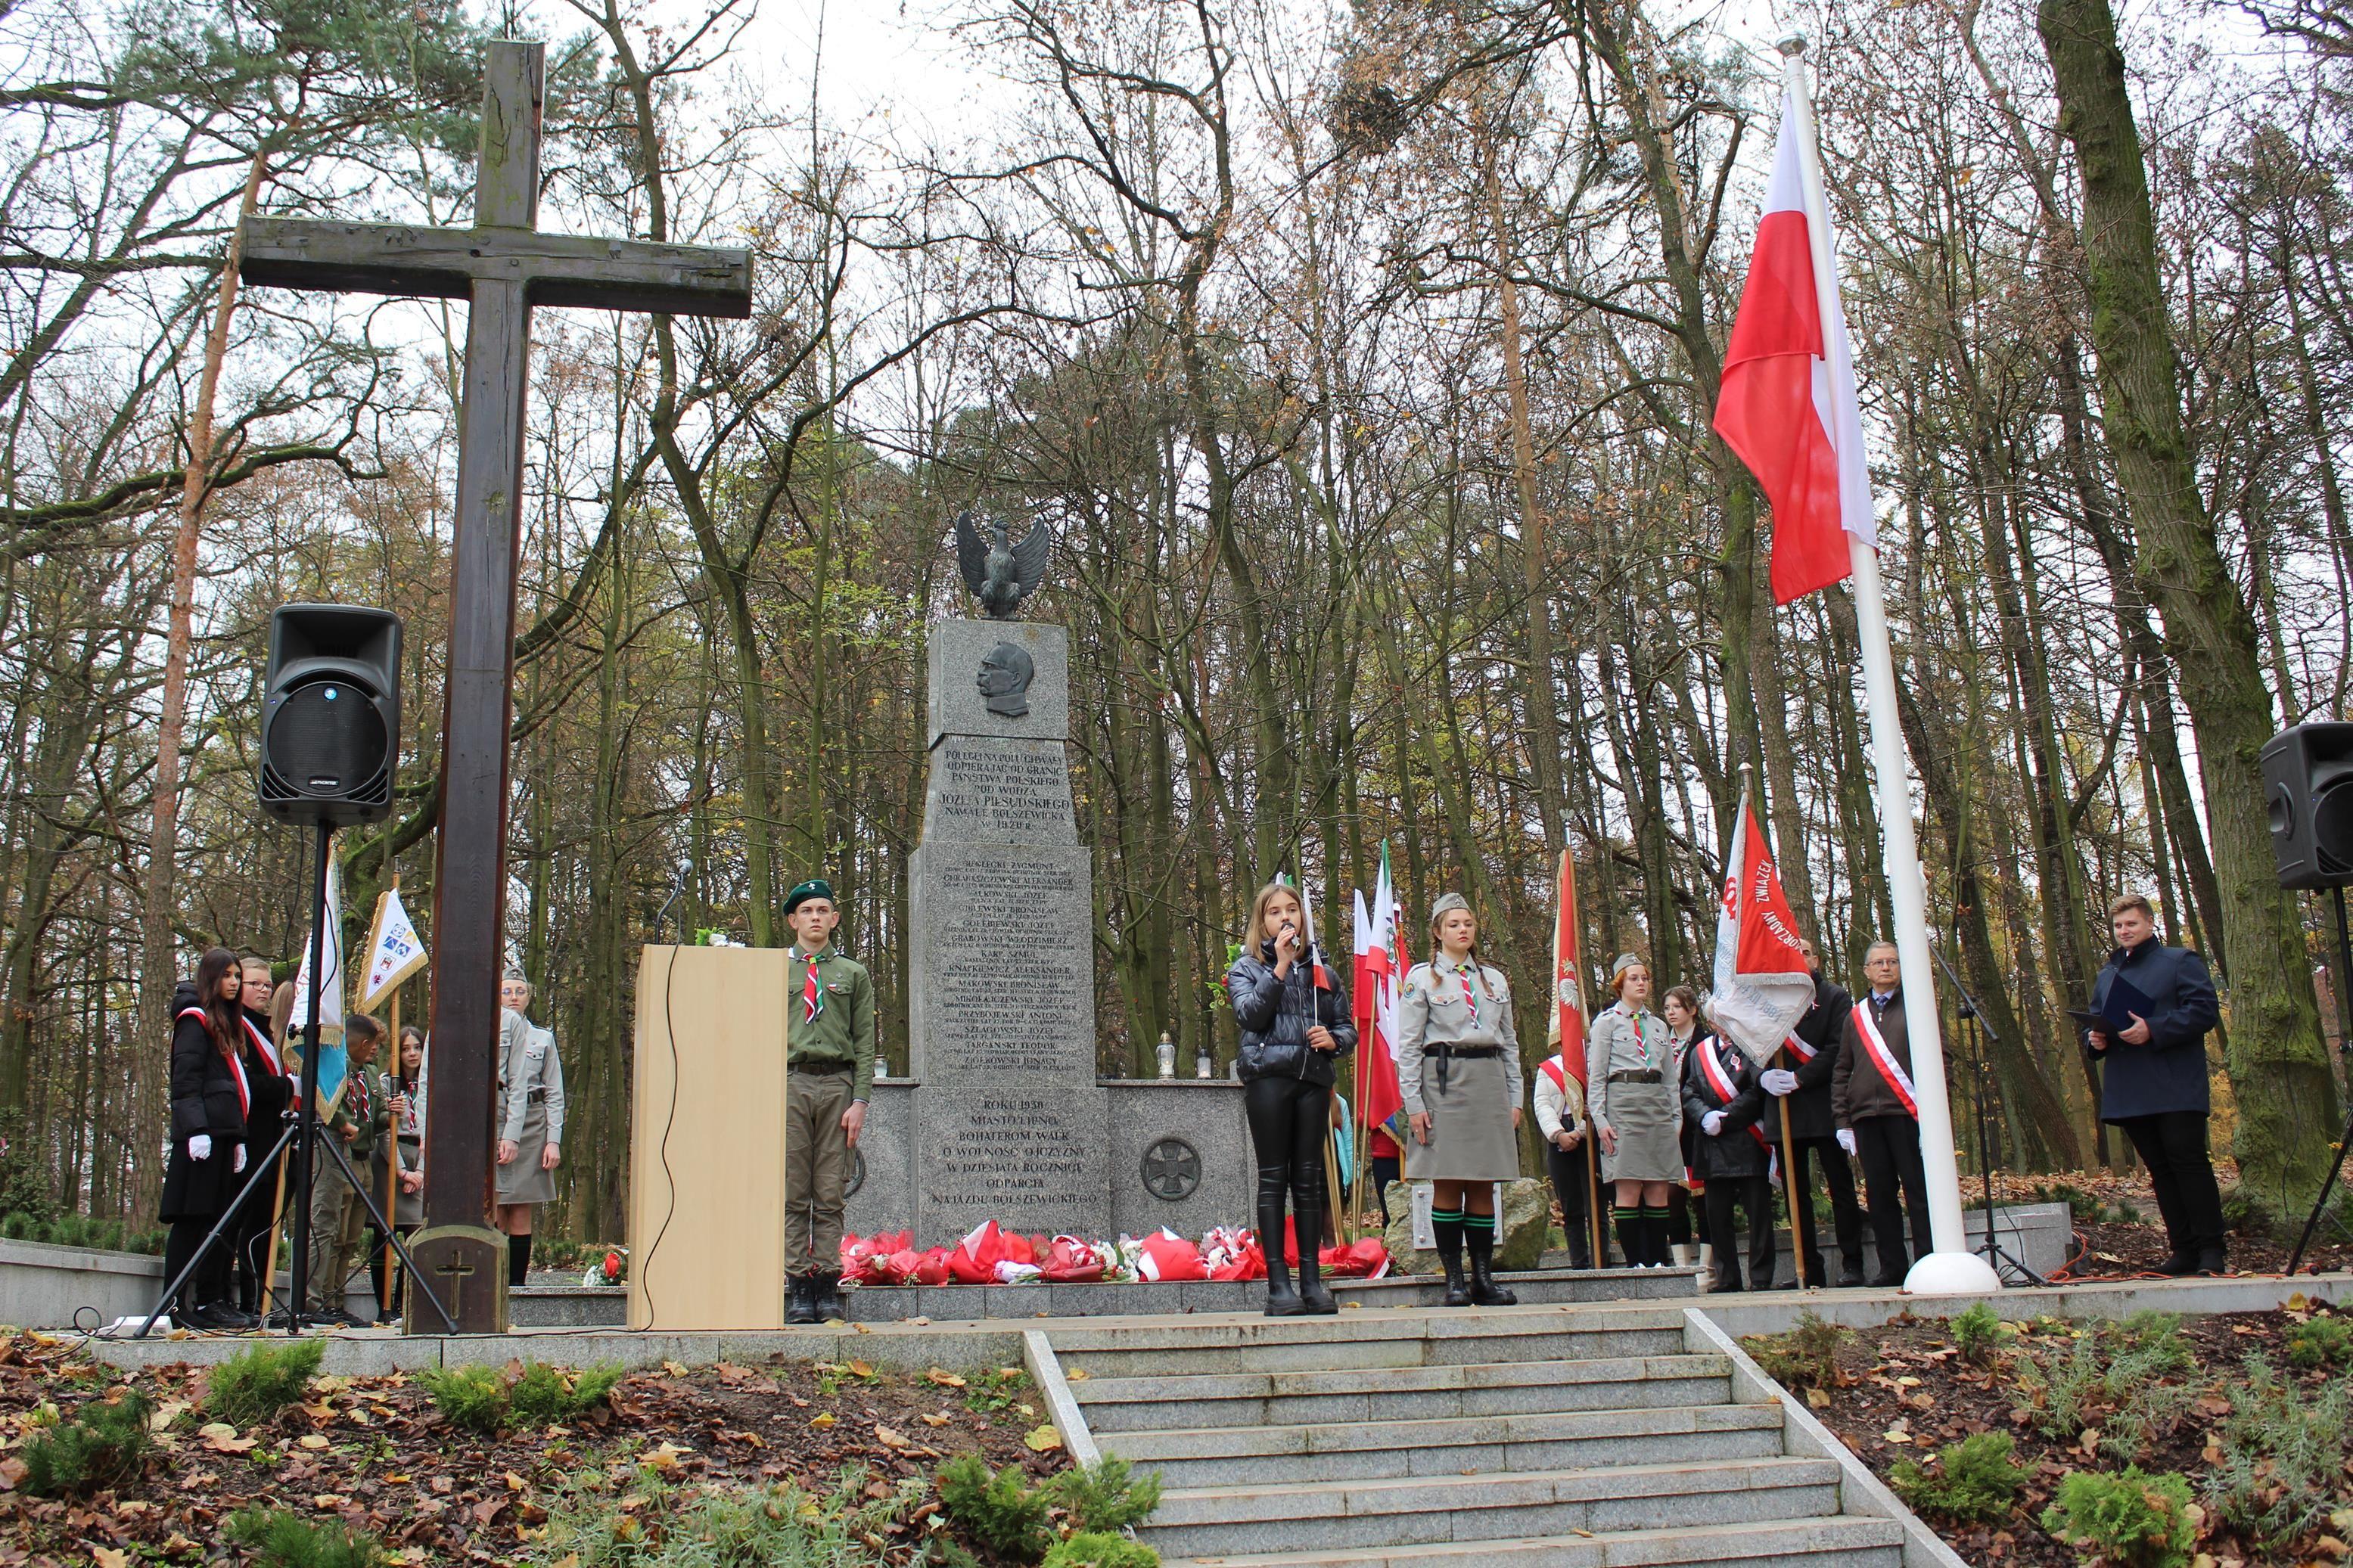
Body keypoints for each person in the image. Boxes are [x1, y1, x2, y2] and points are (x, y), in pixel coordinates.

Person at [1229, 881, 1357, 1315]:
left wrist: (1334, 1039)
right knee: (1273, 1180)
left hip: (1313, 1081)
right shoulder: (1247, 967)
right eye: (1274, 912)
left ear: (1303, 917)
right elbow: (1250, 1015)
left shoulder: (1324, 972)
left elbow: (1348, 1027)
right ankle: (1278, 1287)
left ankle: (1312, 1282)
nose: (1285, 918)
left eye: (1292, 910)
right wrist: (1279, 966)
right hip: (1268, 1080)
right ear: (1261, 922)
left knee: (1310, 1182)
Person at [2087, 894, 2227, 1275]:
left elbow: (2203, 1011)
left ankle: (2212, 1250)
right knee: (2160, 1169)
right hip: (2130, 1086)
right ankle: (2182, 1250)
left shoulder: (2180, 961)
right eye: (2118, 926)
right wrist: (2094, 1040)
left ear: (2150, 923)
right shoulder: (2108, 974)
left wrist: (2154, 1028)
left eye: (2131, 924)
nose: (2124, 931)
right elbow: (2098, 1020)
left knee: (2188, 1160)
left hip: (2175, 1081)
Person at [1397, 893, 1523, 1307]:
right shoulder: (1423, 979)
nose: (1463, 930)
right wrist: (1414, 1105)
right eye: (1453, 924)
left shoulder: (1495, 980)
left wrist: (1515, 1098)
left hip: (1488, 1085)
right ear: (1437, 932)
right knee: (1448, 1181)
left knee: (1485, 1184)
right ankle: (1453, 1280)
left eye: (1468, 923)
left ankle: (1483, 1279)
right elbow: (1410, 1046)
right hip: (1443, 1085)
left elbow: (1510, 1045)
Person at [781, 878, 875, 1324]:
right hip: (791, 1083)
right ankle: (799, 1284)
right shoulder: (777, 972)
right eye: (807, 911)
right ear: (793, 921)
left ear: (834, 919)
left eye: (823, 910)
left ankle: (827, 1283)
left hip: (837, 1085)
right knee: (794, 1189)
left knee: (830, 1189)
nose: (815, 917)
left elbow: (865, 1042)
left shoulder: (852, 975)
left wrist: (860, 1101)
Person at [160, 947, 255, 1330]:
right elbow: (186, 1080)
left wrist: (237, 1137)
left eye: (237, 976)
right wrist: (197, 1129)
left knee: (218, 1221)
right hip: (199, 1140)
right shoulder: (193, 1021)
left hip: (223, 1137)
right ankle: (172, 1302)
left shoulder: (225, 1025)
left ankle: (209, 1300)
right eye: (228, 976)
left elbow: (229, 1087)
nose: (234, 983)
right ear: (211, 978)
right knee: (191, 1220)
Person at [1764, 936, 1867, 1287]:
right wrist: (1762, 1076)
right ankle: (1808, 1269)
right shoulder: (1768, 1003)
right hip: (1784, 1109)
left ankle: (1852, 1263)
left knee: (1841, 1188)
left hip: (1825, 1103)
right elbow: (1750, 1047)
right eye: (1792, 954)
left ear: (1816, 959)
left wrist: (1800, 1077)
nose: (1800, 959)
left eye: (1805, 953)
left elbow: (1840, 1048)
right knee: (1797, 1194)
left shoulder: (1836, 997)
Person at [1832, 942, 1933, 1287]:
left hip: (1907, 1112)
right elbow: (1842, 1070)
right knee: (1879, 1195)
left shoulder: (1918, 1007)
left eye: (1892, 961)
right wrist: (1843, 1120)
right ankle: (1892, 1267)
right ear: (1866, 971)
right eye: (1878, 962)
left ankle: (1928, 1261)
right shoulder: (1855, 1016)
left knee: (1918, 1192)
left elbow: (1940, 1060)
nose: (1886, 967)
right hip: (1866, 1118)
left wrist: (1936, 1111)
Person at [1588, 955, 1680, 1268]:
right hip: (1623, 1104)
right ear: (1620, 984)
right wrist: (1600, 1119)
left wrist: (1676, 1118)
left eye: (1645, 978)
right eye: (1634, 978)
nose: (1641, 983)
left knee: (1658, 1186)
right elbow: (1597, 1075)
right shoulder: (1607, 1023)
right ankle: (1635, 1262)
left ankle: (1657, 1260)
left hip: (1656, 1104)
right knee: (1628, 1184)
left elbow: (1670, 1078)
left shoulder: (1658, 1026)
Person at [1679, 1012, 1777, 1290]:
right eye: (1717, 1020)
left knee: (1758, 1215)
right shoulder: (1700, 1052)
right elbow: (1688, 1091)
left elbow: (1755, 1092)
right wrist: (1704, 1116)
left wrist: (1726, 1117)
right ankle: (1728, 1278)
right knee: (1717, 1218)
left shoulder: (1753, 1048)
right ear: (1710, 1023)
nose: (1723, 1025)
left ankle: (1760, 1277)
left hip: (1748, 1141)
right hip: (1711, 1147)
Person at [306, 1011, 387, 1321]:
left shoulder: (367, 1074)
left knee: (350, 1237)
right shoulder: (334, 1070)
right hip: (335, 1151)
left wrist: (388, 1113)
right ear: (362, 1043)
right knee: (328, 1229)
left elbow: (373, 1117)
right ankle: (315, 1301)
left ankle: (336, 1301)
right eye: (373, 1045)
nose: (375, 1051)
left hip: (360, 1156)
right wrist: (342, 1122)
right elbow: (324, 1100)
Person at [495, 970, 566, 1290]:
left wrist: (554, 1141)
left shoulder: (542, 1039)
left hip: (533, 1124)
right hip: (497, 1118)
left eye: (520, 991)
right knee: (494, 1203)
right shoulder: (490, 1034)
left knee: (521, 1207)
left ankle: (517, 1285)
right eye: (507, 990)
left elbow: (554, 1092)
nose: (513, 996)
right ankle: (493, 1281)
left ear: (529, 997)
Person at [232, 955, 291, 1318]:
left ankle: (261, 1300)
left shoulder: (267, 1030)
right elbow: (246, 1083)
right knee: (245, 1220)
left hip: (274, 1136)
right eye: (255, 984)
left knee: (266, 1222)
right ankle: (246, 1298)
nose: (263, 991)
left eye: (267, 985)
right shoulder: (237, 1027)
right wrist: (287, 1086)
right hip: (248, 1136)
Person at [1533, 1041, 1601, 1269]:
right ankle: (1579, 1262)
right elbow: (1542, 1104)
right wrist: (1559, 1133)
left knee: (1596, 1203)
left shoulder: (1594, 1066)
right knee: (1570, 1205)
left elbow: (1598, 1101)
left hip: (1589, 1132)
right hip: (1559, 1134)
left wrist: (1580, 1131)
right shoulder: (1548, 1069)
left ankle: (1601, 1260)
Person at [375, 1025, 426, 1317]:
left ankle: (404, 1301)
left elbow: (435, 1129)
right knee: (384, 1232)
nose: (411, 1054)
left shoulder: (432, 1082)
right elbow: (384, 1130)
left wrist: (419, 1172)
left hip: (419, 1156)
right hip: (390, 1158)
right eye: (406, 1049)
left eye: (416, 1048)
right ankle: (382, 1305)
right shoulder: (386, 1084)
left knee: (414, 1233)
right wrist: (401, 1172)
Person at [1661, 985, 1713, 1271]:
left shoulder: (1704, 1042)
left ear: (1692, 1010)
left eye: (1677, 1007)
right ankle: (1683, 1267)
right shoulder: (1659, 1042)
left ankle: (1706, 1268)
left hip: (1697, 1130)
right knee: (1672, 1199)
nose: (1671, 1013)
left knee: (1704, 1202)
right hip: (1668, 1131)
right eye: (1667, 1008)